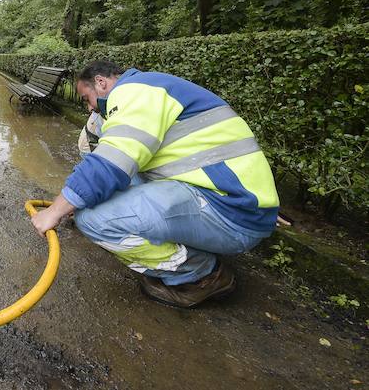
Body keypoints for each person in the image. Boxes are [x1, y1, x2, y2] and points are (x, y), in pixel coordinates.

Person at [31, 60, 279, 308]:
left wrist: (54, 211)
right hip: (233, 200)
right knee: (101, 189)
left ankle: (202, 275)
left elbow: (110, 162)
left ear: (101, 82)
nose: (88, 108)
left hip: (231, 214)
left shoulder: (132, 92)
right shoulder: (150, 87)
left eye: (87, 99)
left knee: (93, 220)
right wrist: (76, 198)